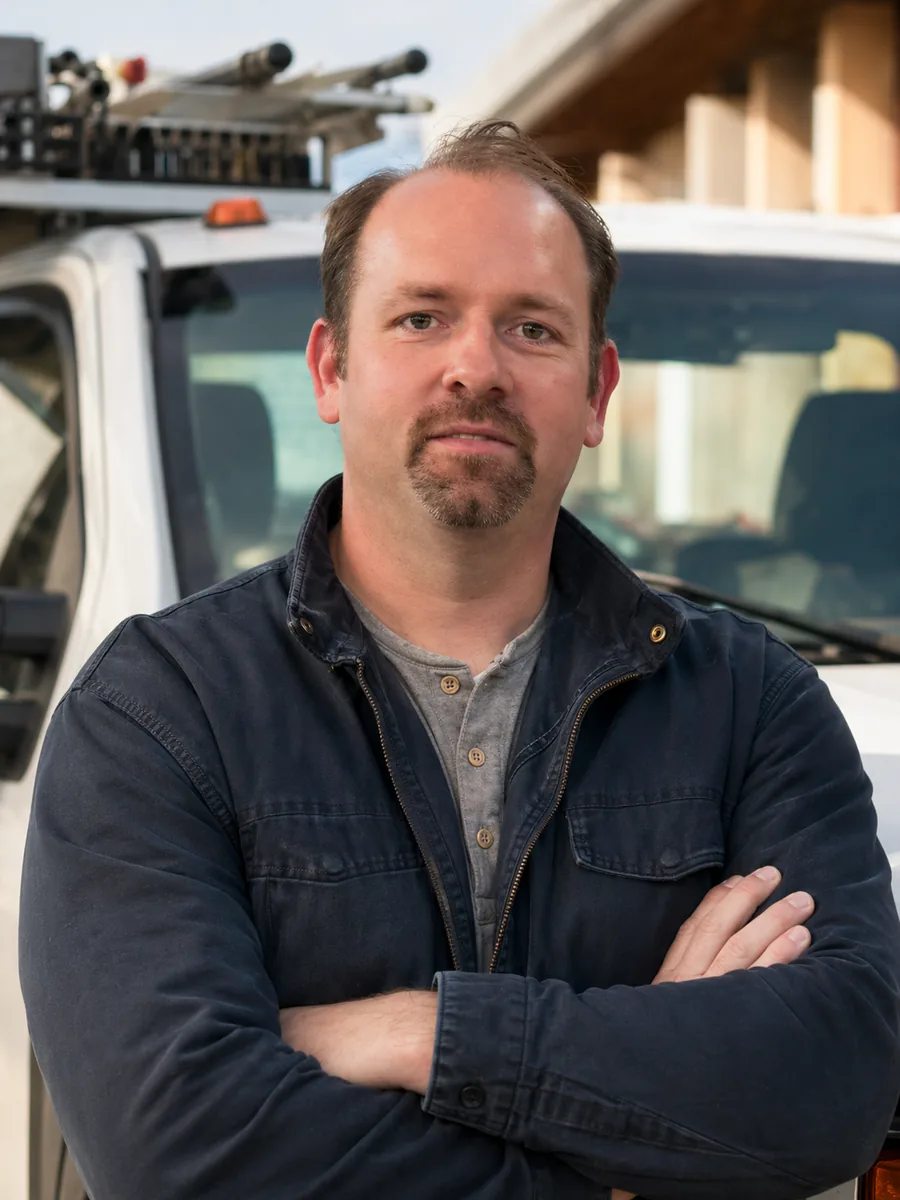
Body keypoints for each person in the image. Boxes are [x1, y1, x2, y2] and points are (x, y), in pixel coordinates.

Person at [19, 121, 900, 1200]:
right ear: (332, 368)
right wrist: (630, 1160)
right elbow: (177, 1150)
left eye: (532, 328)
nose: (474, 366)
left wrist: (423, 1035)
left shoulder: (754, 706)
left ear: (595, 392)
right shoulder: (158, 710)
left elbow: (840, 1082)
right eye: (421, 317)